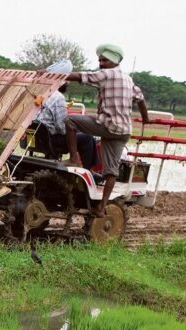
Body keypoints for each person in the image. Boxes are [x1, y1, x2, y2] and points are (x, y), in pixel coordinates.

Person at [61, 44, 150, 217]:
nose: (101, 63)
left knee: (70, 120)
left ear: (114, 61)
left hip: (107, 125)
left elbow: (80, 76)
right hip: (123, 131)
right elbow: (140, 99)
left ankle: (74, 159)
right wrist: (146, 119)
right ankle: (101, 207)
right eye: (100, 60)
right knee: (111, 171)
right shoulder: (127, 79)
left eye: (105, 60)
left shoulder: (107, 74)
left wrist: (55, 75)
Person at [34, 83, 99, 170]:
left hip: (39, 139)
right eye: (66, 80)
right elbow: (61, 128)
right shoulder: (58, 97)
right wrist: (76, 130)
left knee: (79, 135)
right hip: (52, 141)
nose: (68, 83)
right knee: (87, 138)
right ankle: (87, 169)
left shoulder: (42, 94)